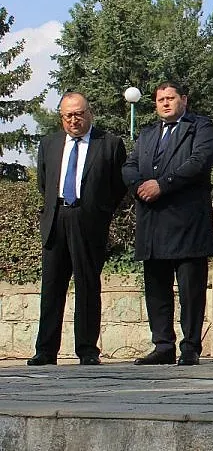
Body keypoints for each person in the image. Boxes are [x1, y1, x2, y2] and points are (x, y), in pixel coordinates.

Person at [122, 81, 213, 366]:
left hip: (187, 220)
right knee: (156, 287)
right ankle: (163, 344)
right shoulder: (148, 133)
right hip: (152, 221)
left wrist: (162, 185)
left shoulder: (200, 127)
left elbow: (199, 162)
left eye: (171, 98)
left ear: (183, 100)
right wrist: (139, 185)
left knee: (191, 289)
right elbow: (129, 165)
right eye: (160, 99)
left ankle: (190, 346)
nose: (165, 103)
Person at [29, 92, 127, 366]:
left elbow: (118, 186)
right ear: (61, 117)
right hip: (56, 218)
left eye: (78, 114)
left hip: (89, 220)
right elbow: (43, 183)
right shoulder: (48, 144)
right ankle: (46, 350)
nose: (73, 120)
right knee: (51, 287)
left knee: (87, 285)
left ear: (89, 113)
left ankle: (86, 349)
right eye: (67, 115)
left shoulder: (109, 144)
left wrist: (100, 212)